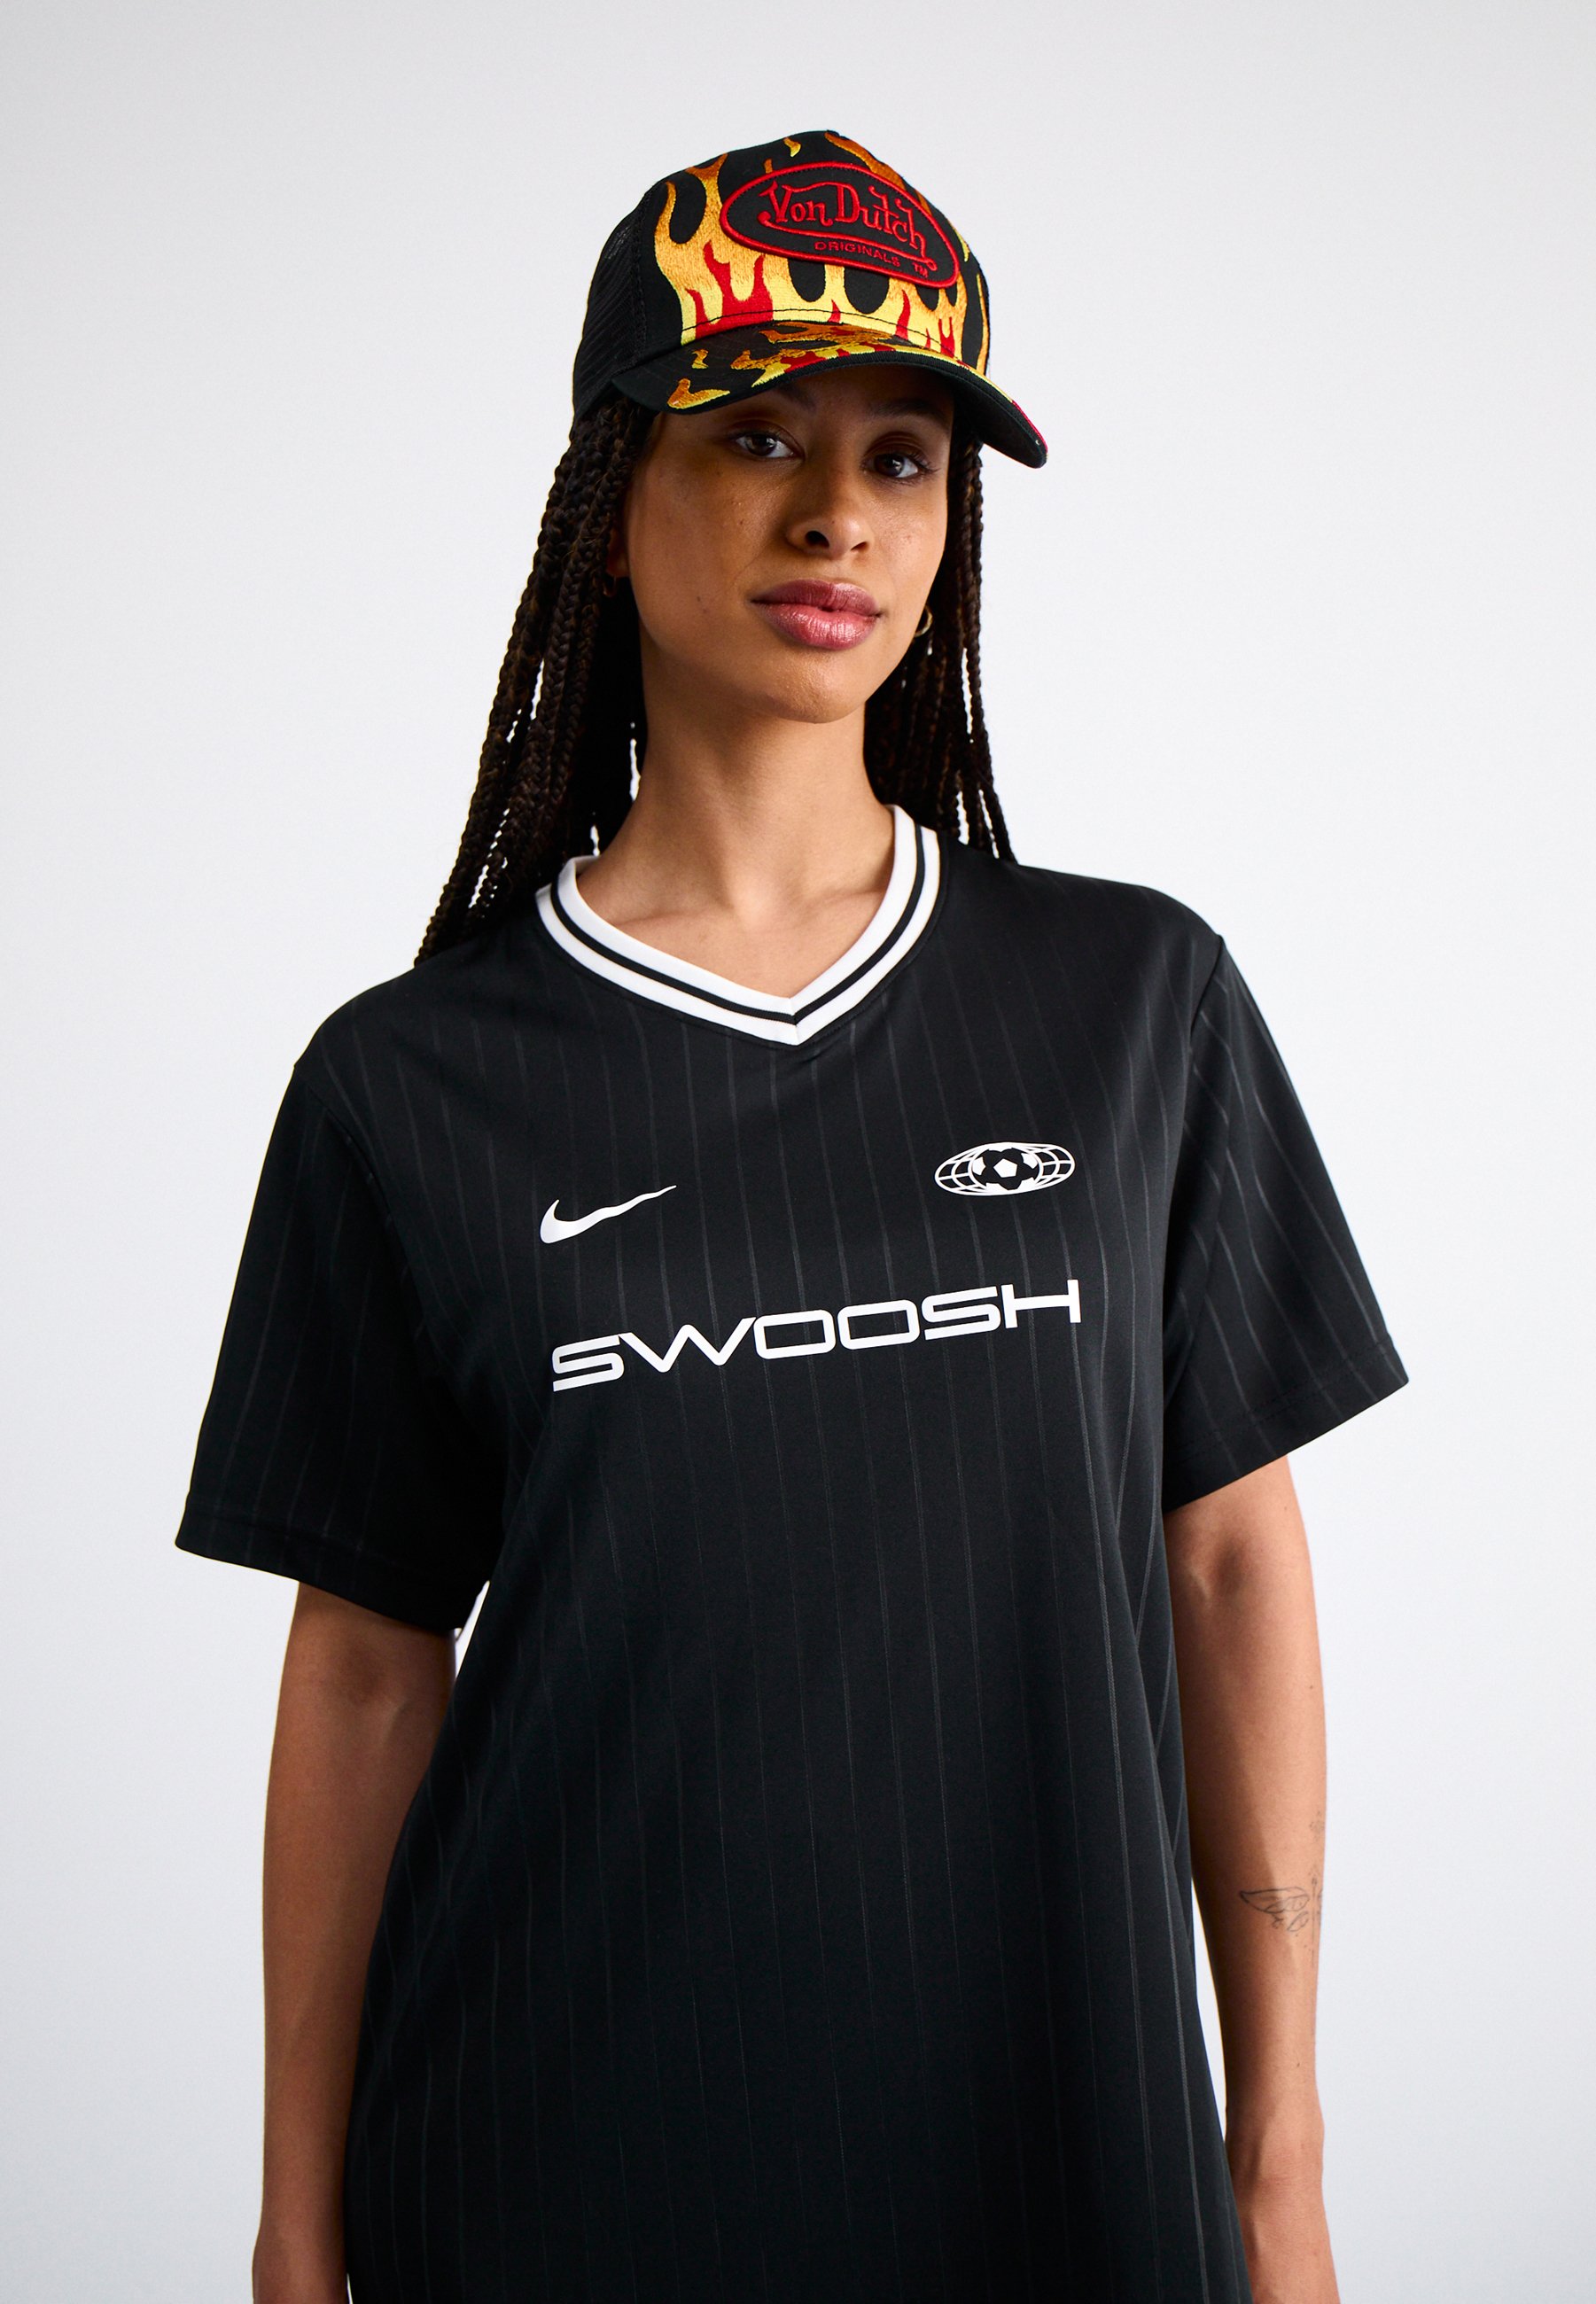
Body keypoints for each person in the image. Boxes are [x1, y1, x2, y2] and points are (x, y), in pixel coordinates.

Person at [176, 128, 1407, 2304]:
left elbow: (1227, 1563)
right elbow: (364, 1673)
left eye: (901, 457)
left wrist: (1277, 2152)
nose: (838, 511)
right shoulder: (408, 1082)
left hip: (1060, 2147)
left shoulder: (1133, 1005)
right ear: (610, 488)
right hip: (548, 2161)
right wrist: (293, 2228)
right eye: (756, 435)